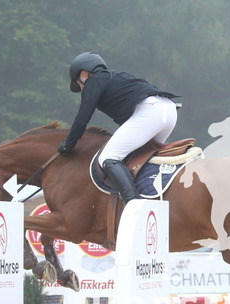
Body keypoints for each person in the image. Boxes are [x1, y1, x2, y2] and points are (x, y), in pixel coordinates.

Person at [58, 51, 179, 204]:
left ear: (83, 75)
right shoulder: (116, 76)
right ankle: (156, 195)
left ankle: (134, 204)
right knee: (141, 157)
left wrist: (69, 143)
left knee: (108, 157)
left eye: (79, 85)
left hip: (150, 111)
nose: (82, 90)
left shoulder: (94, 80)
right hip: (168, 110)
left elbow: (82, 118)